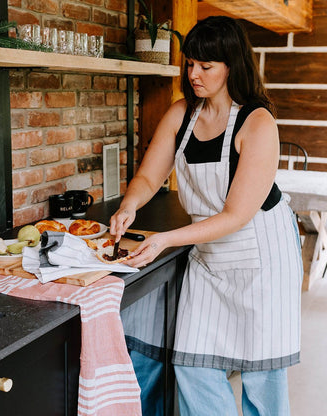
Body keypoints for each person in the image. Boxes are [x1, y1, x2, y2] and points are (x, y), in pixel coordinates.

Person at [110, 15, 303, 416]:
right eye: (189, 64)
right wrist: (129, 204)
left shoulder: (257, 122)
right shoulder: (183, 113)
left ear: (232, 65)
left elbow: (235, 215)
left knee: (261, 373)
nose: (193, 74)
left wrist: (162, 239)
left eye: (205, 66)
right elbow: (149, 175)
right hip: (210, 256)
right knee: (192, 364)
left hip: (262, 258)